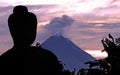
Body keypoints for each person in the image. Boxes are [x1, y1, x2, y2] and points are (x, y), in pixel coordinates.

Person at [0, 5, 63, 75]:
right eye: (28, 28)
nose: (30, 32)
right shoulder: (46, 57)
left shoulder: (4, 60)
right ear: (13, 30)